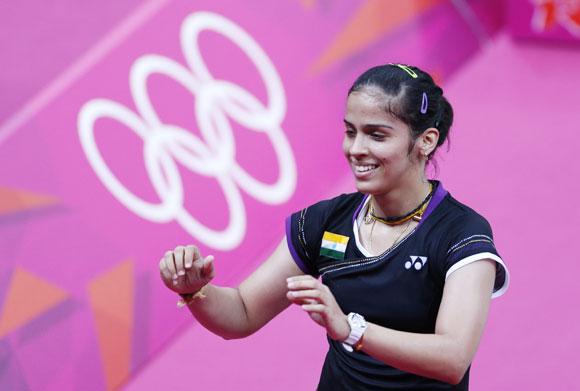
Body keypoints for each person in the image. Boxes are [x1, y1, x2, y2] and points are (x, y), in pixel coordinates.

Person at [158, 63, 509, 390]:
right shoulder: (326, 222)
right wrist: (194, 292)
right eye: (350, 131)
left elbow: (452, 358)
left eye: (376, 135)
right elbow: (242, 315)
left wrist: (352, 330)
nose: (356, 149)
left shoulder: (462, 234)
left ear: (425, 141)